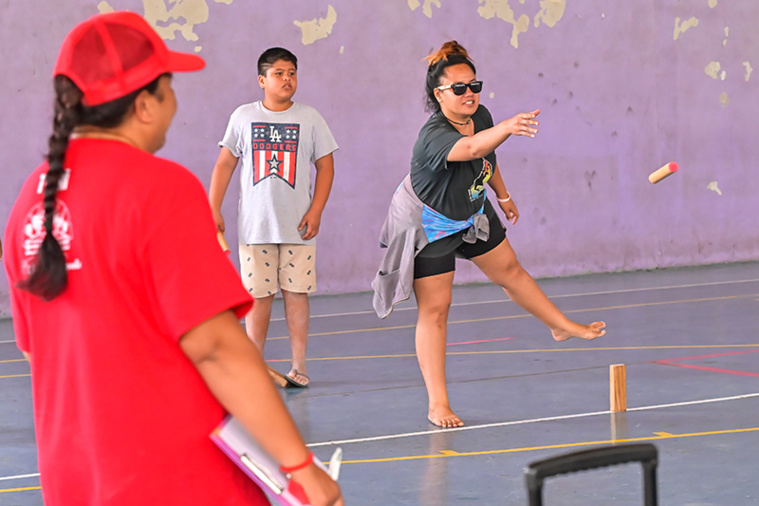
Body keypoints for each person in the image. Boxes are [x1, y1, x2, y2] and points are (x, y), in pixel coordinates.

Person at [2, 12, 342, 505]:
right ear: (145, 104)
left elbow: (37, 353)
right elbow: (217, 348)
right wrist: (299, 467)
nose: (174, 100)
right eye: (169, 87)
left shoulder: (31, 203)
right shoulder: (160, 189)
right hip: (177, 478)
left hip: (77, 479)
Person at [372, 41, 606, 428]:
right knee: (436, 309)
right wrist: (507, 128)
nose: (470, 94)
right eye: (459, 88)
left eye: (474, 85)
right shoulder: (433, 135)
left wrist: (503, 194)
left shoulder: (480, 115)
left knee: (510, 271)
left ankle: (559, 325)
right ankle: (438, 404)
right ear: (438, 94)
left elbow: (486, 156)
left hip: (471, 208)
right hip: (429, 222)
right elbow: (469, 148)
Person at [209, 47, 338, 388]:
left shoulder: (310, 118)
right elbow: (225, 163)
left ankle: (299, 366)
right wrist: (213, 207)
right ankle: (254, 364)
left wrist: (316, 210)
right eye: (279, 73)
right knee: (258, 297)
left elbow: (325, 166)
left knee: (296, 294)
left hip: (299, 228)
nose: (287, 79)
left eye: (292, 73)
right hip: (256, 227)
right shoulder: (243, 117)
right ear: (262, 80)